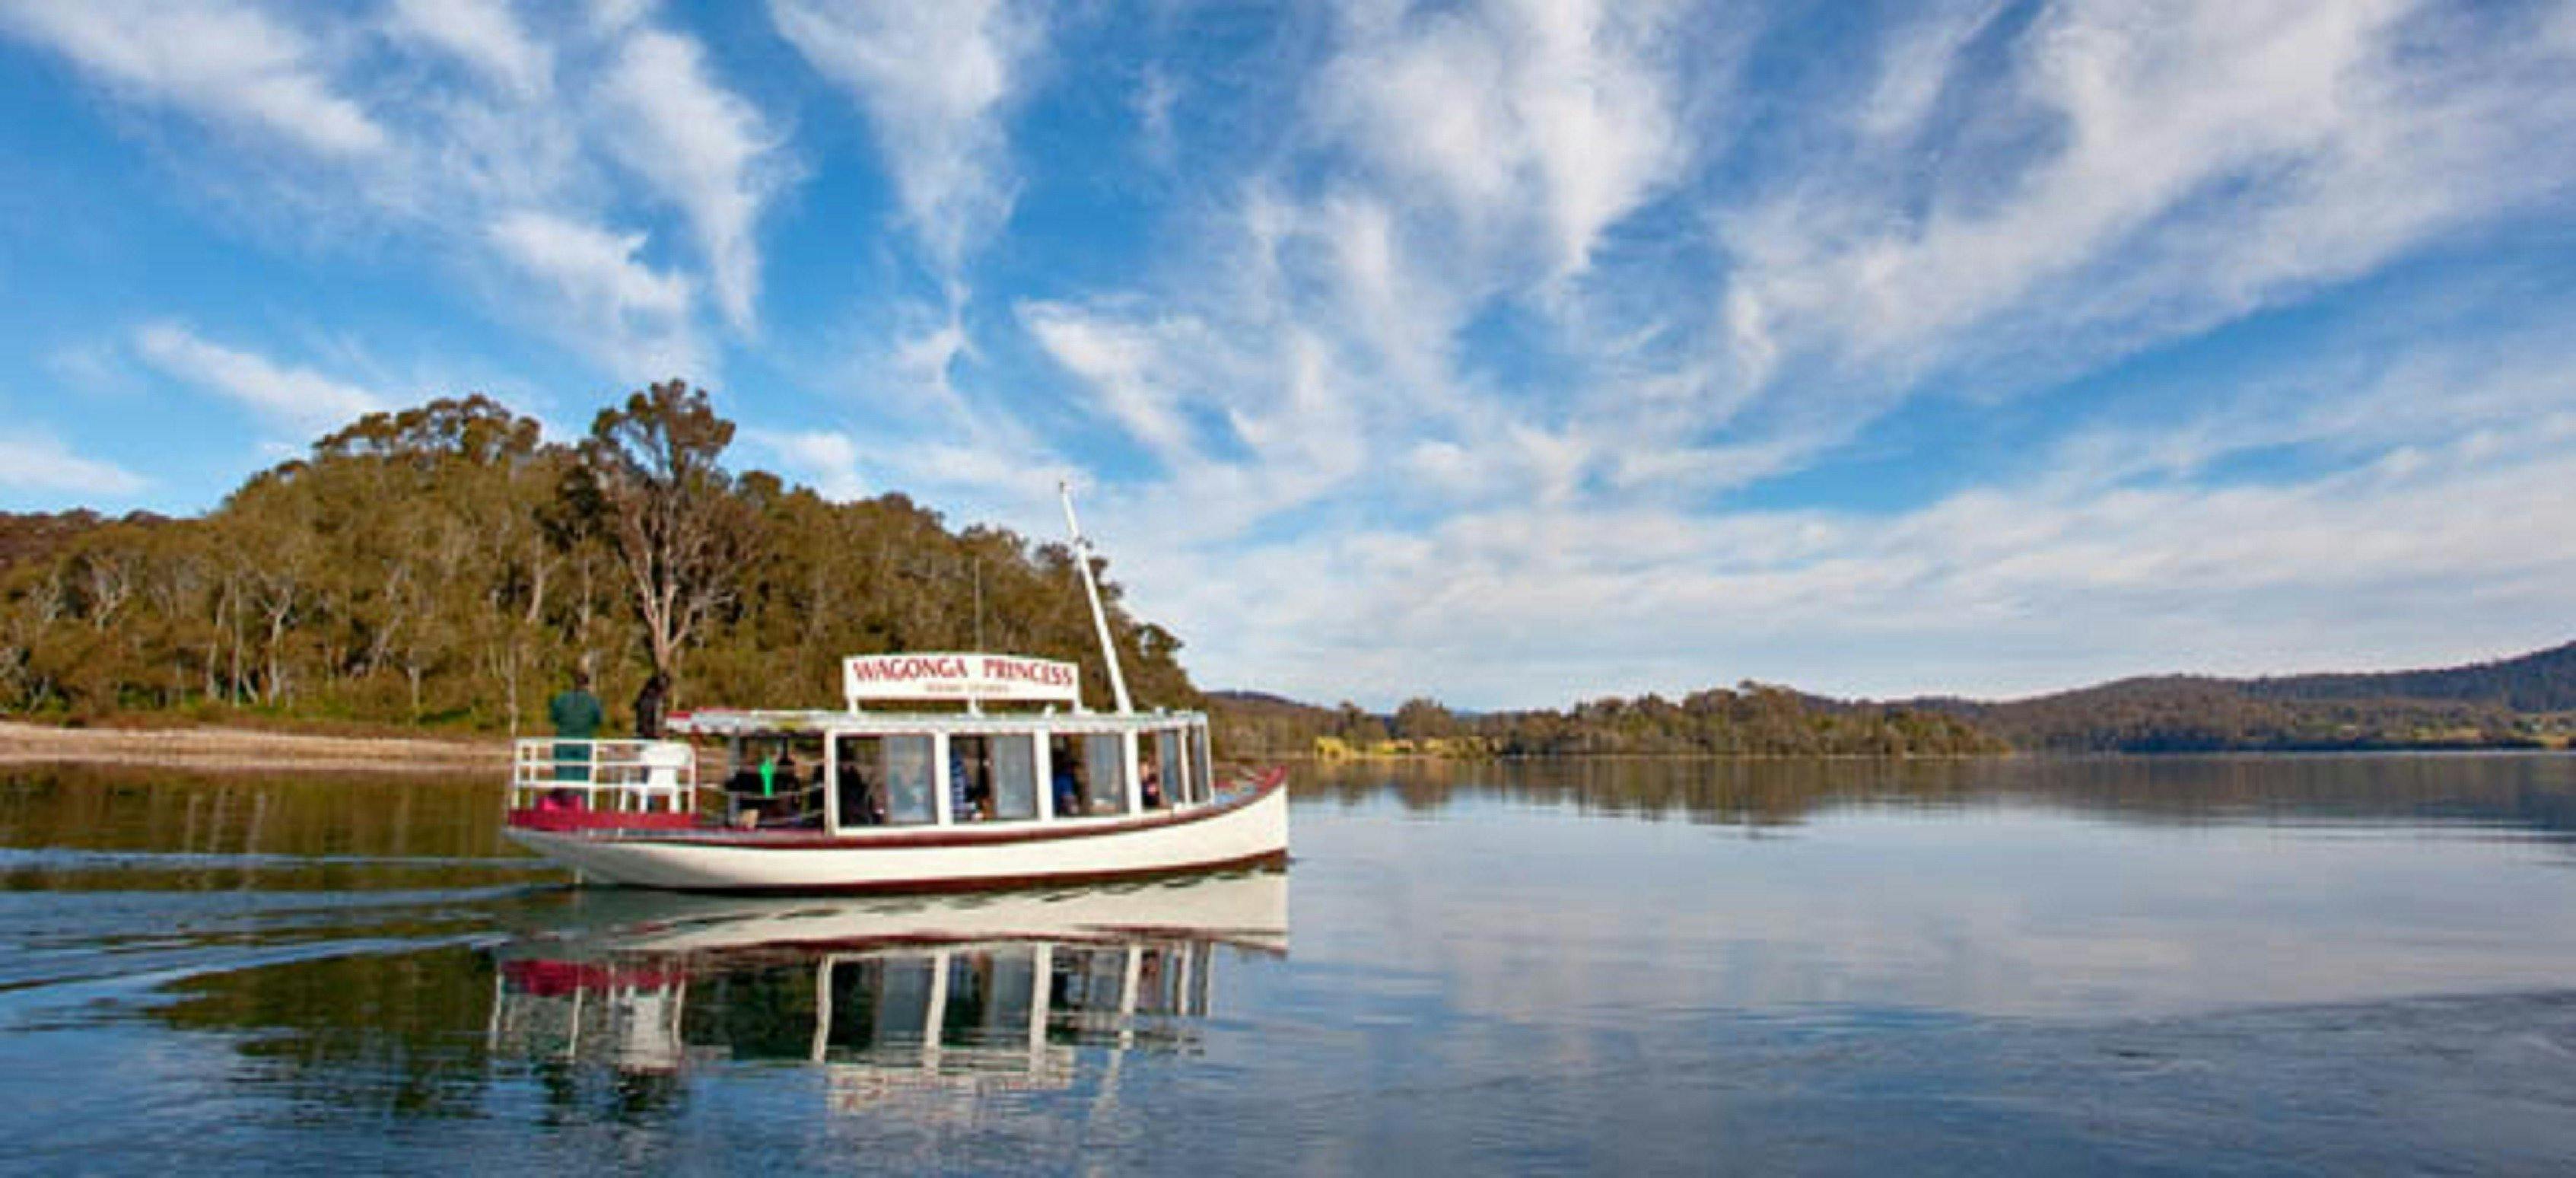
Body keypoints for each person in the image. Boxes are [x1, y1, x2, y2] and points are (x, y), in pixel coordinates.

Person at [548, 670, 604, 784]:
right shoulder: (593, 701)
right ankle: (580, 795)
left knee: (563, 777)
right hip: (584, 742)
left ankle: (565, 795)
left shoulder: (561, 699)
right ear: (587, 685)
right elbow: (598, 720)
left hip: (564, 742)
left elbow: (553, 717)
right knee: (582, 778)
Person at [633, 672, 669, 740]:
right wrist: (660, 733)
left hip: (643, 734)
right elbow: (655, 718)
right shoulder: (655, 699)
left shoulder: (643, 696)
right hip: (651, 736)